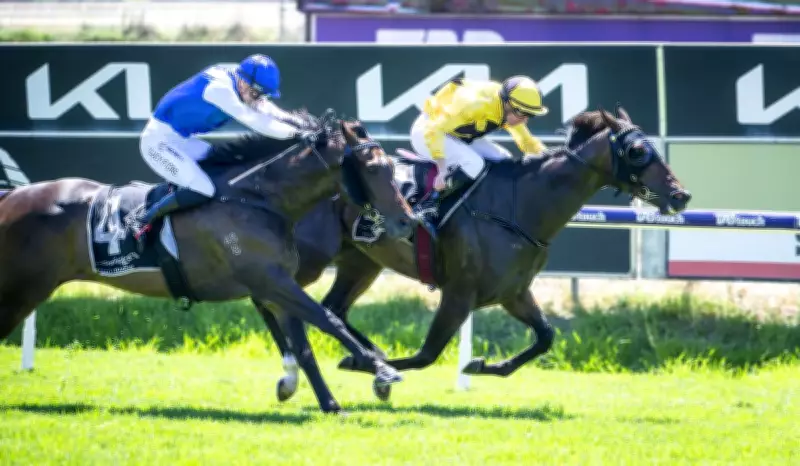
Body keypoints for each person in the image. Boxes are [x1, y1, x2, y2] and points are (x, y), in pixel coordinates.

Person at [129, 54, 317, 251]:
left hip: (180, 140)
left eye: (262, 95)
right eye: (256, 94)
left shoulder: (242, 82)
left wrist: (302, 123)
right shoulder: (220, 90)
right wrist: (296, 133)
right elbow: (256, 121)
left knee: (224, 171)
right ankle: (142, 219)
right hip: (157, 143)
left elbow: (268, 109)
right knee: (203, 189)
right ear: (243, 83)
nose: (259, 100)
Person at [410, 75, 549, 200]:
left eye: (530, 115)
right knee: (474, 165)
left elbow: (527, 141)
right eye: (523, 114)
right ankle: (431, 203)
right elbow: (433, 130)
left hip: (456, 133)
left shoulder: (507, 108)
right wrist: (442, 170)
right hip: (427, 131)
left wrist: (550, 158)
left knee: (504, 160)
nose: (525, 120)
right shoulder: (474, 105)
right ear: (508, 104)